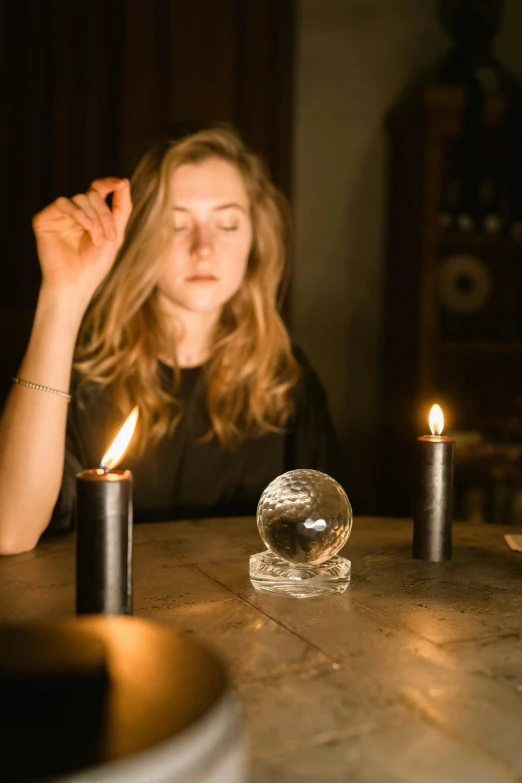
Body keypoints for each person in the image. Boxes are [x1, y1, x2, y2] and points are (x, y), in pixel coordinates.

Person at [0, 122, 344, 555]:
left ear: (256, 239)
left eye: (228, 224)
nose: (203, 248)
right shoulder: (78, 374)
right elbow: (8, 532)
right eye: (177, 225)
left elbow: (325, 545)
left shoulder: (288, 382)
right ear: (141, 235)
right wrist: (63, 292)